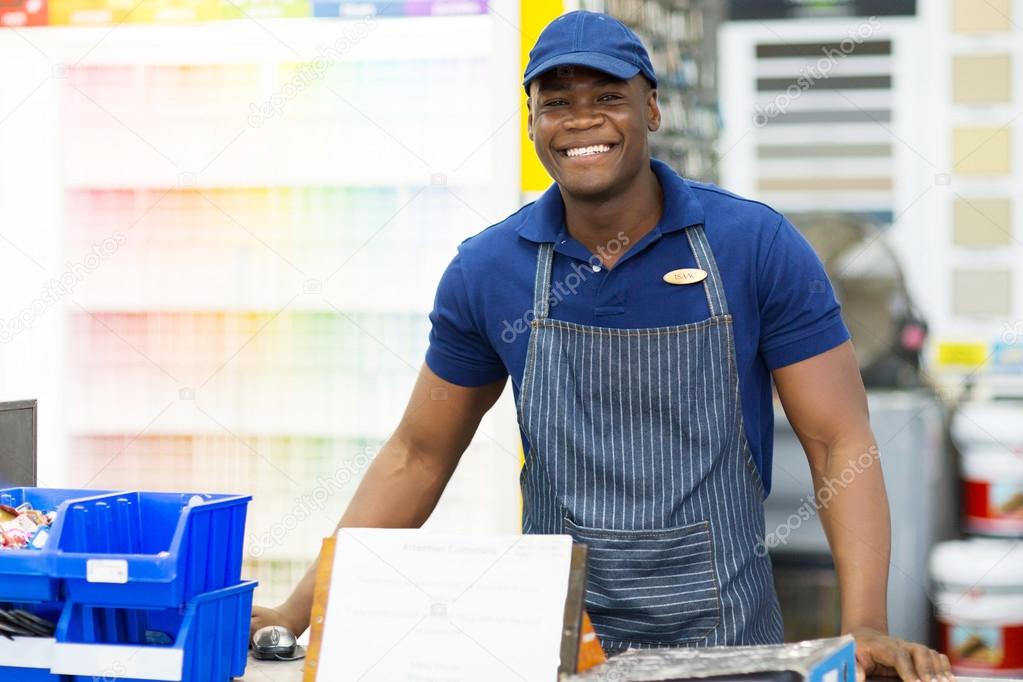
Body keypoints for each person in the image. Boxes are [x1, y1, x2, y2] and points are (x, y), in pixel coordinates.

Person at [253, 10, 953, 680]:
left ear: (651, 109)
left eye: (607, 96)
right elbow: (417, 455)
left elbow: (839, 440)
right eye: (555, 102)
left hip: (727, 641)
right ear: (531, 121)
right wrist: (299, 609)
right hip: (555, 641)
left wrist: (862, 621)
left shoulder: (753, 246)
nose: (581, 119)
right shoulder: (488, 269)